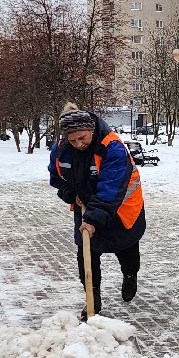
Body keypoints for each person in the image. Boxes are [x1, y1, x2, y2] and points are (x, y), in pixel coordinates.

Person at [48, 106, 146, 317]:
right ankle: (93, 298)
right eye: (72, 140)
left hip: (122, 208)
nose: (78, 144)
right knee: (87, 254)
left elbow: (111, 187)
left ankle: (130, 275)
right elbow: (56, 179)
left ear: (91, 130)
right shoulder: (61, 149)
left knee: (127, 250)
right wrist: (70, 194)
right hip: (86, 207)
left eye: (82, 138)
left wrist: (92, 219)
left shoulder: (113, 147)